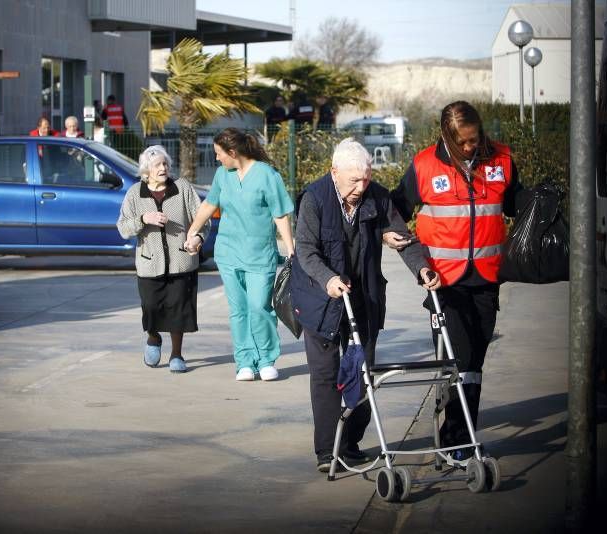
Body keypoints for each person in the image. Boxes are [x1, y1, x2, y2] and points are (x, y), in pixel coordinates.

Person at [290, 137, 441, 473]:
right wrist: (328, 278)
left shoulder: (378, 197)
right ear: (334, 172)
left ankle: (352, 442)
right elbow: (306, 251)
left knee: (363, 373)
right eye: (354, 179)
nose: (361, 186)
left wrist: (422, 268)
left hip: (363, 297)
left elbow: (404, 239)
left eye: (366, 178)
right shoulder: (315, 198)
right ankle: (328, 451)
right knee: (325, 376)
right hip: (320, 296)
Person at [390, 100, 524, 466]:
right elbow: (394, 209)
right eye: (462, 142)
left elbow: (517, 206)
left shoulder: (502, 160)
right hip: (443, 281)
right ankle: (456, 443)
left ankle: (457, 438)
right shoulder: (423, 165)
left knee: (474, 361)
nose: (469, 147)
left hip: (486, 278)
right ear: (446, 136)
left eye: (474, 139)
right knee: (457, 360)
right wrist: (391, 235)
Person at [185, 128, 295, 382]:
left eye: (219, 153)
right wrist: (192, 232)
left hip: (260, 255)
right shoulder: (223, 175)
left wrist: (290, 249)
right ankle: (244, 361)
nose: (216, 158)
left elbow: (279, 214)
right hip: (228, 253)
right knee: (239, 310)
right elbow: (209, 204)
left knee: (259, 307)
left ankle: (266, 359)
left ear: (233, 152)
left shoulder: (268, 175)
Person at [116, 145, 210, 374]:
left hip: (181, 261)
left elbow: (202, 219)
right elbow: (123, 227)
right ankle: (153, 337)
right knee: (150, 307)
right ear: (146, 170)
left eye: (165, 163)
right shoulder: (135, 193)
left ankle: (177, 355)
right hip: (149, 264)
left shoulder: (182, 188)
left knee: (179, 310)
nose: (164, 168)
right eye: (158, 164)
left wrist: (197, 237)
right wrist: (143, 218)